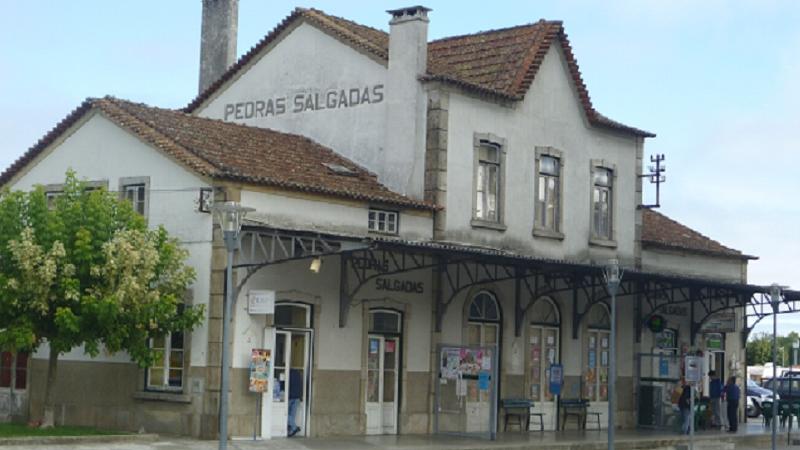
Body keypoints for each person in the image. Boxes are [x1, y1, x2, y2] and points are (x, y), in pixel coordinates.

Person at [287, 368, 303, 437]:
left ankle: (294, 427)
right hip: (297, 397)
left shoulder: (288, 374)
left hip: (290, 396)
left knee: (284, 414)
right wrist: (300, 396)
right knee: (292, 415)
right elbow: (301, 386)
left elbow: (286, 385)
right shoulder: (298, 374)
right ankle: (291, 431)